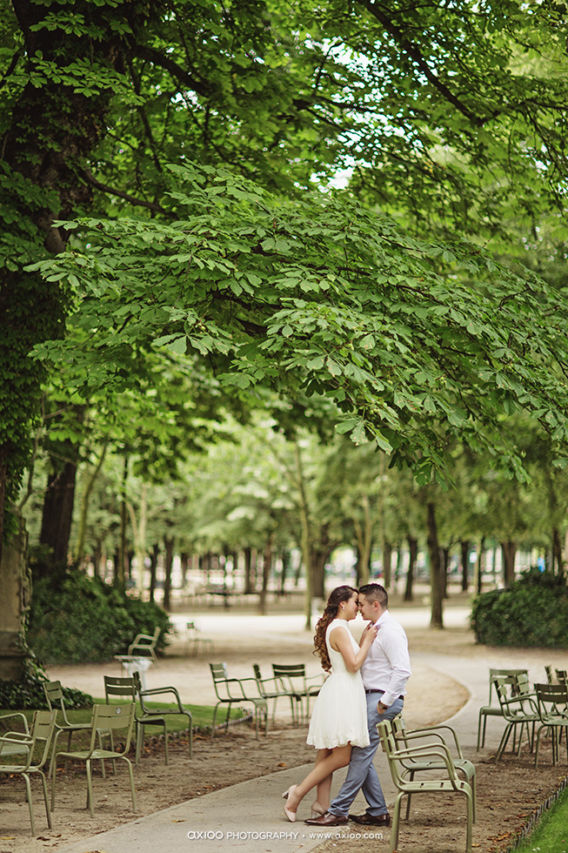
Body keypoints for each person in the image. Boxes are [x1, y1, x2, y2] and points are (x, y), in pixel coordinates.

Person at [305, 582, 411, 827]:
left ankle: (338, 810)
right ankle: (377, 811)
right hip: (368, 697)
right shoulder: (372, 629)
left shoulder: (390, 631)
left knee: (359, 754)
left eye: (362, 604)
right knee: (360, 754)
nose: (359, 608)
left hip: (380, 699)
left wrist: (384, 702)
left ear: (376, 605)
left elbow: (403, 670)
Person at [282, 585, 378, 822]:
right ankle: (297, 793)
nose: (358, 607)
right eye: (355, 602)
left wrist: (361, 642)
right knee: (342, 756)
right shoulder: (339, 629)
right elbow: (353, 665)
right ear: (342, 604)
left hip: (341, 690)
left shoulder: (339, 627)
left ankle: (321, 803)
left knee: (326, 752)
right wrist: (367, 641)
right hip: (342, 694)